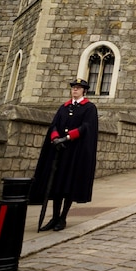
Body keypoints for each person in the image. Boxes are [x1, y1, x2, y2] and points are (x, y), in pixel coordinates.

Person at [29, 77, 99, 231]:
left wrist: (66, 137)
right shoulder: (63, 107)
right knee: (57, 185)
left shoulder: (89, 108)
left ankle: (63, 218)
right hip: (59, 152)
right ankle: (54, 217)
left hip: (75, 152)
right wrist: (55, 138)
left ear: (84, 91)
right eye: (73, 87)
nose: (75, 90)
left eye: (78, 88)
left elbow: (86, 127)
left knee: (68, 185)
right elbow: (54, 124)